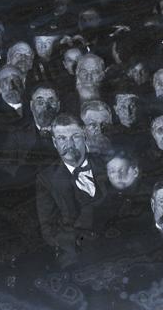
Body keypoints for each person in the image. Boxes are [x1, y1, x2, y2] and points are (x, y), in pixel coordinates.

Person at [34, 114, 109, 269]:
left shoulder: (107, 165)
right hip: (77, 255)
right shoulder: (46, 178)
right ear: (55, 142)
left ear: (85, 137)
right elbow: (48, 229)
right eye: (62, 138)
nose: (69, 144)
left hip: (116, 247)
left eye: (75, 137)